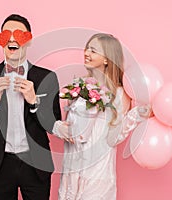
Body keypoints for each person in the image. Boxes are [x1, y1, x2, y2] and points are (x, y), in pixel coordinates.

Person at [0, 14, 61, 200]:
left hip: (36, 166)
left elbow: (54, 126)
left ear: (28, 40)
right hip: (0, 166)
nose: (12, 39)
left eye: (18, 34)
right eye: (6, 34)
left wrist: (34, 101)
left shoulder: (47, 78)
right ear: (0, 40)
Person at [53, 33, 151, 200]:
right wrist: (60, 128)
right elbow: (71, 126)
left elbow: (114, 136)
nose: (86, 53)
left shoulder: (119, 94)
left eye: (93, 50)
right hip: (72, 170)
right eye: (86, 49)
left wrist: (136, 115)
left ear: (107, 59)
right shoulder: (78, 87)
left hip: (97, 172)